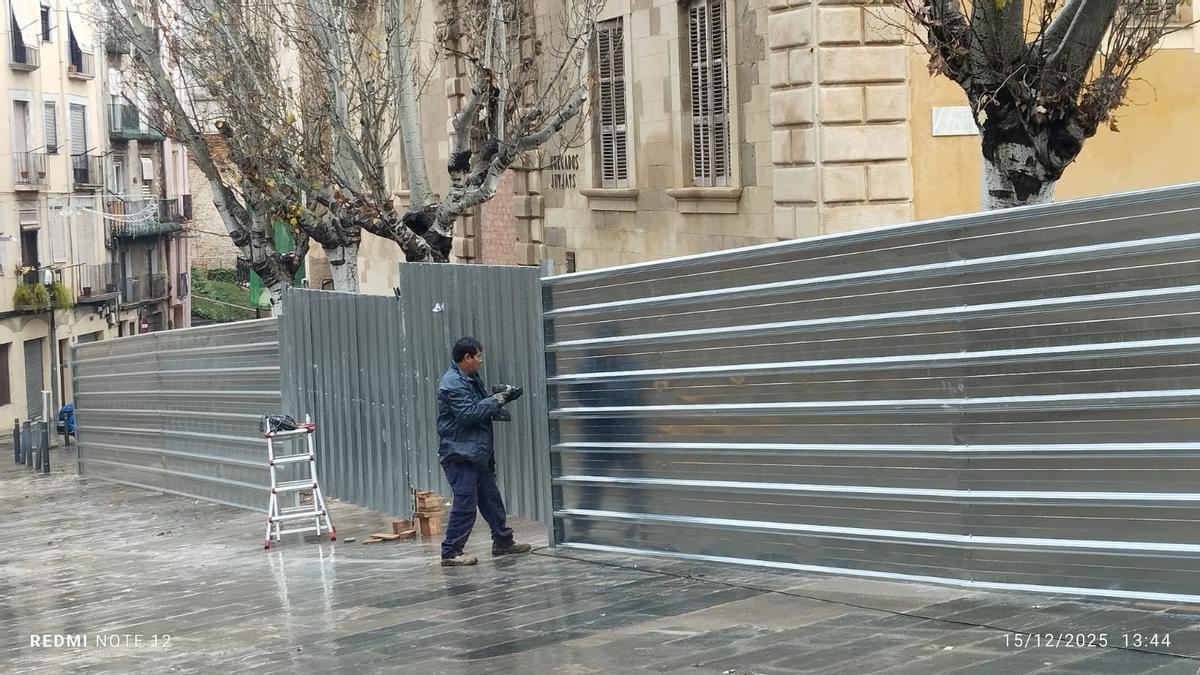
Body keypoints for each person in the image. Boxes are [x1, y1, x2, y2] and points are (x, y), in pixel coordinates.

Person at [436, 336, 532, 566]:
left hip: (477, 452)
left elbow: (478, 407)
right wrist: (495, 401)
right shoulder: (452, 383)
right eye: (478, 356)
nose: (480, 360)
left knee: (490, 499)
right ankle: (451, 552)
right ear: (467, 357)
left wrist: (501, 398)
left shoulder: (469, 378)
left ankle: (502, 541)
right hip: (460, 454)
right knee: (465, 504)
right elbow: (468, 414)